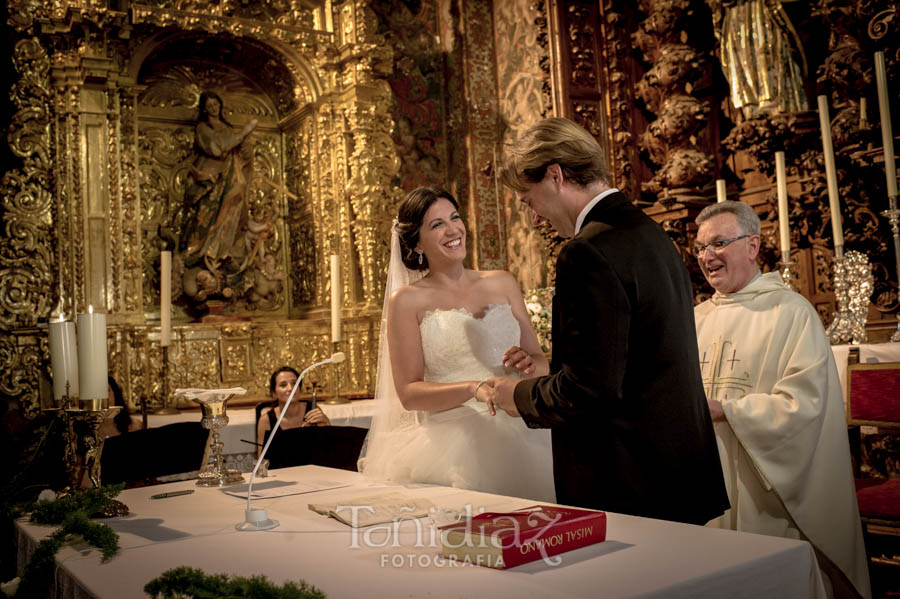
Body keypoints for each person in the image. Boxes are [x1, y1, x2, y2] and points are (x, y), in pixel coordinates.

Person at [488, 117, 728, 524]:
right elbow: (636, 358)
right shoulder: (651, 234)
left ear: (555, 175)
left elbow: (589, 392)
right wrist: (554, 367)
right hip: (679, 473)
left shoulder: (587, 251)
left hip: (628, 482)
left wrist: (518, 396)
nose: (533, 218)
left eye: (529, 200)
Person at [693, 201, 870, 598]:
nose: (707, 257)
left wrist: (730, 410)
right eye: (700, 247)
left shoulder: (791, 313)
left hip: (767, 486)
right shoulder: (696, 318)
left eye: (718, 243)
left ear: (753, 246)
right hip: (709, 475)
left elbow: (805, 404)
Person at [358, 186, 555, 502]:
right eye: (437, 225)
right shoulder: (406, 301)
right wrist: (472, 389)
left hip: (523, 431)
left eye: (454, 218)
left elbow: (541, 362)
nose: (453, 230)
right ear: (417, 242)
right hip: (453, 444)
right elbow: (409, 393)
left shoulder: (502, 282)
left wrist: (529, 363)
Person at [179, 91, 258, 304]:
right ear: (205, 109)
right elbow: (217, 148)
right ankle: (207, 254)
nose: (214, 108)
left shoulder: (228, 129)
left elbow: (242, 154)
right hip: (211, 182)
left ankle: (224, 254)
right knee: (209, 220)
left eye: (216, 104)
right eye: (210, 105)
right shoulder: (204, 129)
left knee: (233, 213)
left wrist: (246, 144)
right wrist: (244, 132)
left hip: (233, 179)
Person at [256, 366, 331, 458]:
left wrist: (327, 423)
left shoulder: (312, 408)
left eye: (294, 383)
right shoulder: (266, 420)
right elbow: (262, 460)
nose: (291, 388)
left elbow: (328, 447)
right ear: (274, 393)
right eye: (283, 385)